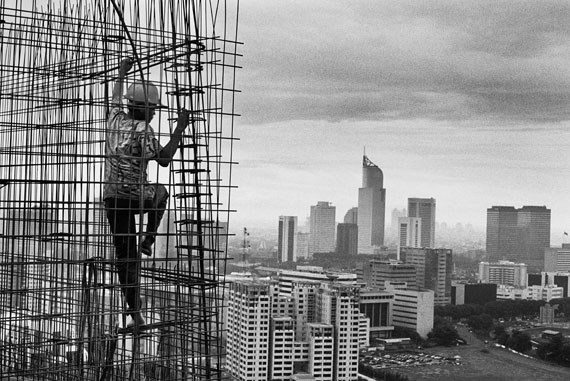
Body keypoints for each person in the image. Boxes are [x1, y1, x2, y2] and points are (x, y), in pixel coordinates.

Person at [104, 58, 189, 328]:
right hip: (137, 196)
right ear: (144, 108)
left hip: (112, 197)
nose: (154, 114)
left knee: (124, 257)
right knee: (162, 193)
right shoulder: (144, 130)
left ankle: (135, 312)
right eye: (152, 109)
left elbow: (116, 97)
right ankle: (149, 239)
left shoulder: (115, 119)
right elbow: (164, 159)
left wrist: (120, 73)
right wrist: (179, 128)